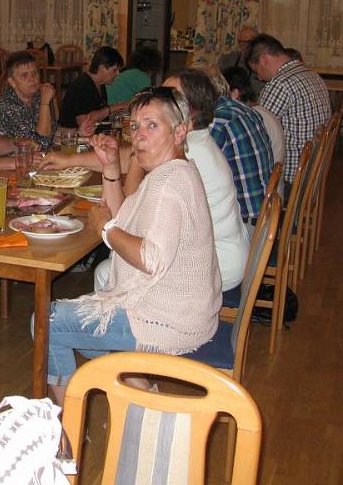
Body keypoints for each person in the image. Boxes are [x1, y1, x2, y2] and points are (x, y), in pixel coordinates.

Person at [43, 88, 220, 400]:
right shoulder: (174, 171)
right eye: (135, 126)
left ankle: (67, 424)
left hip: (168, 320)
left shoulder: (168, 184)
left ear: (179, 132)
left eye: (152, 126)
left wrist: (106, 229)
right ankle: (145, 399)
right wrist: (111, 168)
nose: (139, 136)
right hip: (183, 310)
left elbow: (151, 258)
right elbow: (125, 218)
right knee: (81, 326)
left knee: (47, 322)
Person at [165, 71, 250, 290]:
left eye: (169, 96)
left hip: (216, 264)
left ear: (190, 110)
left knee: (109, 271)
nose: (159, 101)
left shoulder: (189, 152)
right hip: (225, 252)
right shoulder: (198, 140)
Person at [248, 33, 331, 188]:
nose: (258, 77)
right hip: (312, 172)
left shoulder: (280, 84)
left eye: (256, 70)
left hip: (290, 179)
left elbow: (256, 131)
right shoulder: (312, 75)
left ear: (263, 59)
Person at [200, 65, 273, 224]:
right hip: (265, 211)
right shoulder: (245, 110)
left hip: (245, 220)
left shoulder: (216, 121)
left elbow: (193, 172)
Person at [224, 66, 286, 191]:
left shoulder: (248, 120)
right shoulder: (260, 113)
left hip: (269, 194)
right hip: (273, 188)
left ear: (234, 94)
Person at [0, 50, 56, 150]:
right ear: (12, 82)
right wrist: (45, 103)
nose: (32, 79)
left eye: (35, 73)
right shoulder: (6, 106)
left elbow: (53, 130)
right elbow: (40, 144)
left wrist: (75, 133)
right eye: (24, 75)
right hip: (18, 158)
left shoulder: (37, 96)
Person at [58, 46, 128, 131]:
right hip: (72, 133)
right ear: (102, 68)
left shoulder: (100, 84)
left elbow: (98, 113)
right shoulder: (83, 85)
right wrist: (111, 108)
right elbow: (83, 122)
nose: (117, 74)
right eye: (114, 70)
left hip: (88, 132)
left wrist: (117, 109)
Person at [218, 25, 263, 97]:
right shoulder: (227, 59)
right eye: (240, 42)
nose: (243, 45)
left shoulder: (263, 63)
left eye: (247, 42)